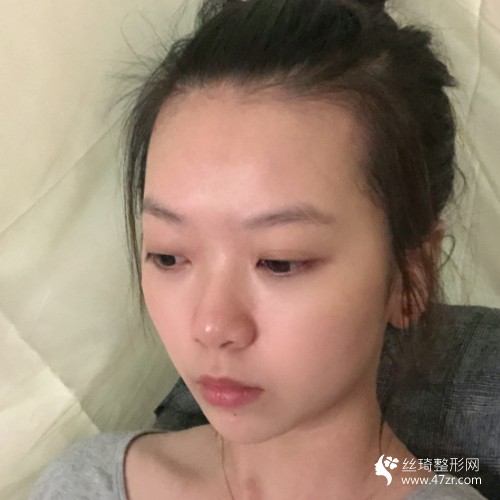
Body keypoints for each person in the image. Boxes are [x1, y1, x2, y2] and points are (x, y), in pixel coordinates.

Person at [31, 0, 487, 498]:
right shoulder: (89, 484)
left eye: (278, 262)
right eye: (168, 256)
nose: (211, 326)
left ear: (412, 277)